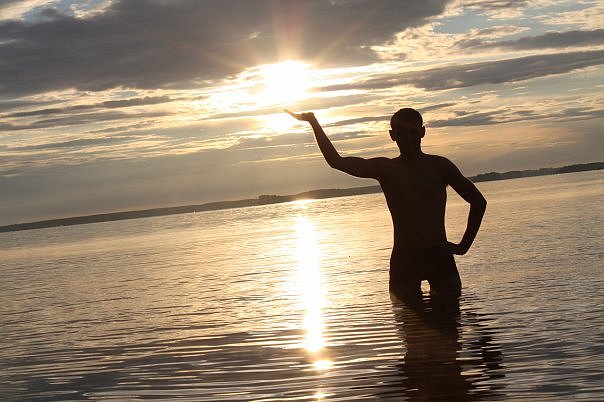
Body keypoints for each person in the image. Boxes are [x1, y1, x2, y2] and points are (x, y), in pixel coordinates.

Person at [286, 108, 486, 301]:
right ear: (392, 135)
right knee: (408, 321)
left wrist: (463, 246)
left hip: (439, 255)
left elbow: (478, 202)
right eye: (402, 133)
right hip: (404, 258)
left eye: (413, 132)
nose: (408, 138)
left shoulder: (440, 166)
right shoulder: (385, 168)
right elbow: (336, 161)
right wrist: (313, 122)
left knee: (451, 319)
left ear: (422, 132)